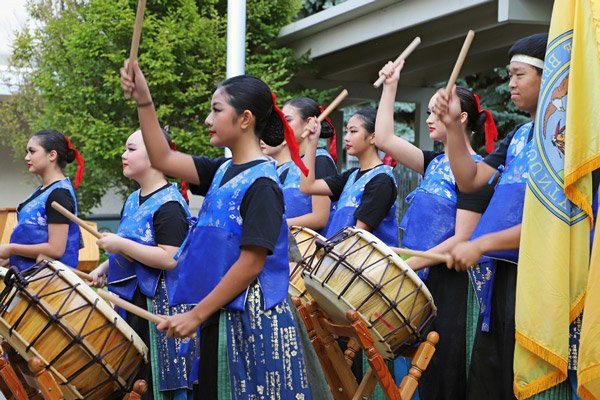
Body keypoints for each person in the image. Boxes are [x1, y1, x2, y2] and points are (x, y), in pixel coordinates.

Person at [120, 60, 312, 399]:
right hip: (218, 315)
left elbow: (251, 264)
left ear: (245, 119)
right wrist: (143, 100)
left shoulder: (264, 184)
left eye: (216, 110)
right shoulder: (221, 171)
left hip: (250, 323)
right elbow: (163, 158)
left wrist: (196, 315)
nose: (208, 120)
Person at [434, 33, 548, 399]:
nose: (510, 84)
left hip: (542, 279)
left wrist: (480, 242)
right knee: (491, 376)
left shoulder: (565, 139)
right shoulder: (520, 135)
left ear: (550, 77)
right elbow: (470, 179)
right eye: (509, 75)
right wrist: (453, 126)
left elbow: (553, 221)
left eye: (519, 75)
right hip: (502, 274)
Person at [375, 61, 495, 400]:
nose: (429, 119)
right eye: (427, 112)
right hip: (415, 277)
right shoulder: (434, 162)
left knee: (441, 375)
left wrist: (407, 266)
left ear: (461, 117)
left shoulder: (476, 172)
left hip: (449, 284)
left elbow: (462, 238)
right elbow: (383, 138)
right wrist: (390, 86)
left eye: (437, 112)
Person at [88, 129, 193, 400]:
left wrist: (120, 245)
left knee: (149, 386)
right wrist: (104, 268)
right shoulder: (133, 199)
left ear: (156, 155)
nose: (123, 155)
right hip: (130, 302)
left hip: (157, 307)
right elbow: (131, 245)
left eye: (131, 149)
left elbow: (169, 258)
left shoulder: (170, 204)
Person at [300, 108, 398, 246]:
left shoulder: (382, 180)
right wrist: (312, 142)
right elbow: (307, 187)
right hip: (341, 257)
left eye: (353, 131)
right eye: (347, 131)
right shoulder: (351, 176)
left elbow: (357, 236)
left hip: (364, 264)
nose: (346, 137)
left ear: (373, 137)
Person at [0, 129, 83, 271]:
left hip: (47, 282)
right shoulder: (44, 190)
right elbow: (32, 243)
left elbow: (56, 249)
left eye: (32, 151)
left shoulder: (59, 194)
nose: (27, 157)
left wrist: (11, 248)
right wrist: (7, 259)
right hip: (29, 275)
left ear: (52, 155)